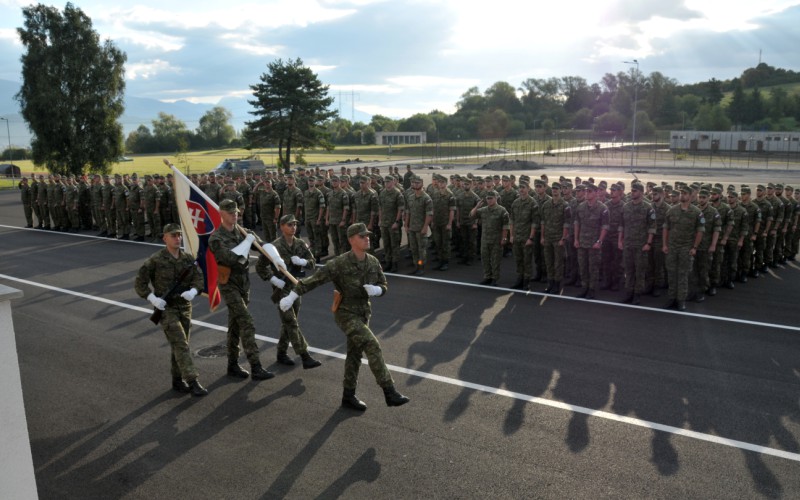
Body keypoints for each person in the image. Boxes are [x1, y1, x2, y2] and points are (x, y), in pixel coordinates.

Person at [279, 223, 409, 411]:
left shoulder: (372, 261)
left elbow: (384, 284)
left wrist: (378, 290)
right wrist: (292, 296)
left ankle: (348, 396)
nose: (367, 238)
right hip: (345, 313)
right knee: (372, 344)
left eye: (367, 235)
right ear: (351, 240)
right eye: (362, 236)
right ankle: (389, 391)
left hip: (363, 312)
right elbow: (314, 280)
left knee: (355, 354)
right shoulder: (339, 263)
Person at [135, 223, 208, 397]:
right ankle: (192, 380)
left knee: (180, 345)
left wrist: (193, 291)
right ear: (165, 238)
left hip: (184, 307)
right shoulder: (156, 259)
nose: (177, 238)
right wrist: (152, 298)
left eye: (179, 235)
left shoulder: (188, 259)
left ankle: (177, 380)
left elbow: (199, 280)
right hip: (166, 308)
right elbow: (140, 282)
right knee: (181, 344)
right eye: (173, 235)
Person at [209, 199, 275, 381]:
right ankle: (256, 366)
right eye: (230, 212)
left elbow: (264, 248)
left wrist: (277, 259)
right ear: (221, 214)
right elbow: (232, 258)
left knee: (235, 325)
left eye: (236, 212)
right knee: (247, 322)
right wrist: (248, 241)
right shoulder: (216, 238)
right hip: (229, 284)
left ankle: (232, 364)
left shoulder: (244, 232)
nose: (235, 214)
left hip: (244, 283)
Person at [256, 214, 322, 369]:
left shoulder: (300, 244)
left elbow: (313, 263)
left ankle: (281, 353)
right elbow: (260, 266)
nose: (293, 227)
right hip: (281, 288)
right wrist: (272, 279)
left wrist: (303, 261)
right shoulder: (274, 247)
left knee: (289, 322)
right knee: (291, 322)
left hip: (296, 288)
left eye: (295, 224)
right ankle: (305, 356)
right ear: (282, 227)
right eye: (289, 224)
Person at [663, 186, 705, 311]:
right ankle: (672, 298)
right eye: (681, 193)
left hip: (686, 248)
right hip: (672, 247)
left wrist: (694, 247)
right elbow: (666, 228)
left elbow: (700, 231)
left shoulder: (697, 212)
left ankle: (681, 300)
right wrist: (665, 245)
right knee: (671, 273)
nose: (682, 195)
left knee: (683, 275)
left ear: (691, 196)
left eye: (685, 193)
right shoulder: (672, 210)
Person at [573, 184, 609, 299]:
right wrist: (576, 239)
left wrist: (599, 241)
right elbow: (577, 223)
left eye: (590, 191)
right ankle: (585, 287)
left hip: (594, 244)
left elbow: (605, 227)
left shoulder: (602, 208)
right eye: (586, 191)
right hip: (582, 242)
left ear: (596, 193)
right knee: (583, 267)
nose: (587, 193)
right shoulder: (581, 207)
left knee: (593, 268)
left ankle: (592, 289)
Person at [470, 191, 510, 286]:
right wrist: (477, 206)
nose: (489, 200)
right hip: (485, 239)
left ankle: (495, 278)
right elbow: (471, 215)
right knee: (485, 259)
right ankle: (487, 277)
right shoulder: (483, 210)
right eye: (488, 198)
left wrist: (504, 238)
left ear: (496, 198)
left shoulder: (502, 210)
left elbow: (506, 226)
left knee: (495, 260)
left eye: (491, 198)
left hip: (496, 240)